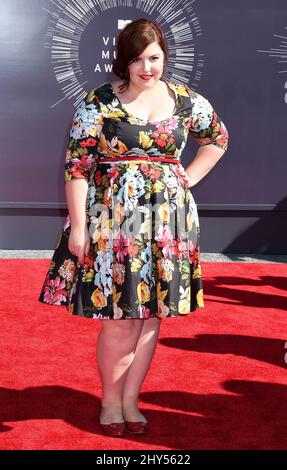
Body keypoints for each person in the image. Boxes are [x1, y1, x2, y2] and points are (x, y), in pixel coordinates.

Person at [38, 18, 229, 437]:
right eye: (139, 59)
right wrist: (78, 229)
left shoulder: (183, 100)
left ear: (165, 58)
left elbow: (217, 138)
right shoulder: (100, 102)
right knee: (120, 319)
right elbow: (78, 166)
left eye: (155, 58)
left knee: (151, 315)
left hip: (168, 224)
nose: (148, 67)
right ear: (124, 61)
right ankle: (109, 400)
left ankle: (131, 401)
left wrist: (188, 178)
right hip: (112, 222)